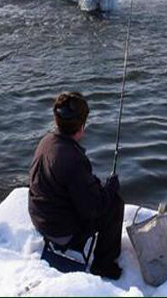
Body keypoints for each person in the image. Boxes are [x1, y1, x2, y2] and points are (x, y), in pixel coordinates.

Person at [28, 92, 124, 280]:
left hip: (40, 219)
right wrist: (111, 188)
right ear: (81, 126)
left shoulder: (47, 141)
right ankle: (104, 266)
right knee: (115, 204)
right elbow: (92, 209)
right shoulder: (73, 160)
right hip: (59, 230)